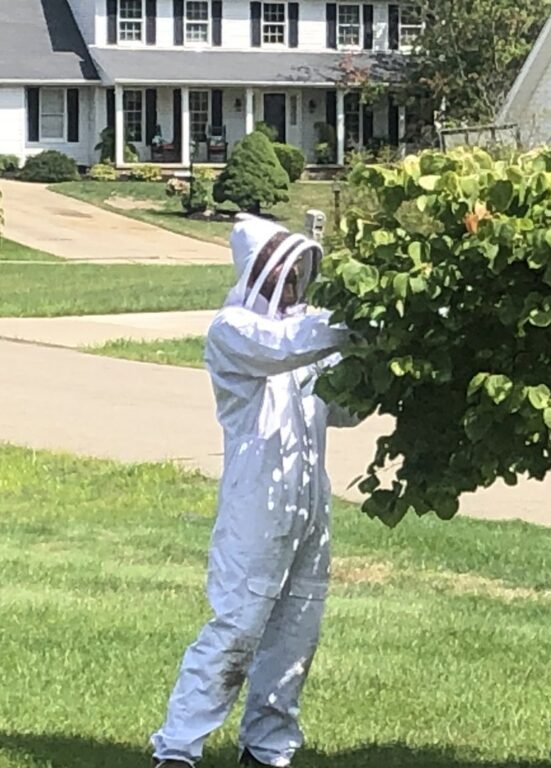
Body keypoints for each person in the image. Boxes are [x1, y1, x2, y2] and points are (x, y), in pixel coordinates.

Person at [151, 215, 360, 768]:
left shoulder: (307, 334)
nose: (289, 288)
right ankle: (177, 748)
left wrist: (376, 371)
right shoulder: (235, 330)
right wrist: (359, 321)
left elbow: (341, 409)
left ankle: (268, 748)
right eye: (279, 276)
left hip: (309, 502)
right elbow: (284, 346)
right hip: (254, 505)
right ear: (256, 274)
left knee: (297, 630)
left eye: (296, 277)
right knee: (238, 627)